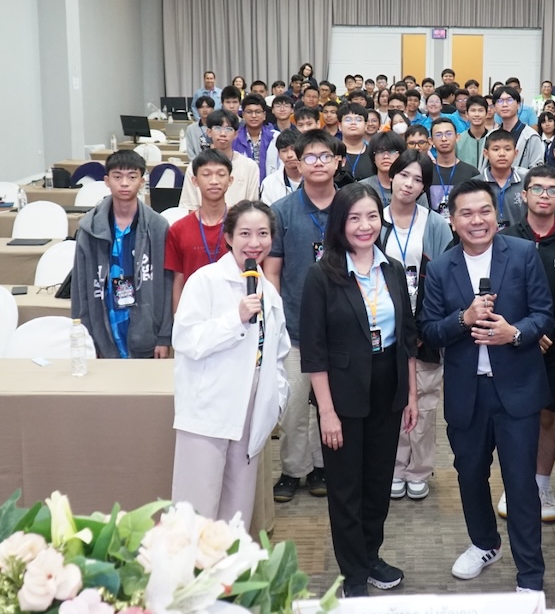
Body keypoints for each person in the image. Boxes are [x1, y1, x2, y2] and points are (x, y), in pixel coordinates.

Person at [420, 178, 554, 592]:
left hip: (517, 390)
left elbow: (544, 313)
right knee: (469, 474)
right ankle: (484, 544)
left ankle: (530, 573)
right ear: (452, 220)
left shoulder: (523, 253)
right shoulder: (439, 268)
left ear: (497, 215)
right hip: (467, 393)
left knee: (520, 483)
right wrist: (464, 319)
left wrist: (514, 333)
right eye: (467, 213)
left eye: (484, 211)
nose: (477, 221)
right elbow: (428, 330)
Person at [300, 184, 418, 598]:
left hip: (388, 385)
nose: (365, 226)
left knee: (378, 482)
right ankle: (352, 574)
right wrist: (327, 412)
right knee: (346, 488)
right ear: (340, 223)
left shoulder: (392, 270)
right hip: (342, 392)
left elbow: (407, 337)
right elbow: (314, 352)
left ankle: (371, 556)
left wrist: (411, 395)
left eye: (371, 216)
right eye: (354, 218)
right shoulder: (322, 275)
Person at [171, 200, 290, 527]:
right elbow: (186, 339)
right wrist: (235, 319)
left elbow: (278, 353)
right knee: (195, 511)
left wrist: (276, 399)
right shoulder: (205, 280)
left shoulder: (268, 292)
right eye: (245, 234)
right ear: (228, 237)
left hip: (252, 410)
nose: (255, 243)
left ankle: (231, 562)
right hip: (209, 409)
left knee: (236, 512)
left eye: (263, 234)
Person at [500, 166, 555, 524]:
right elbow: (500, 294)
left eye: (552, 190)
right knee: (512, 417)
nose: (544, 196)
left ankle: (542, 484)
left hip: (554, 345)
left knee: (547, 417)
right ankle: (515, 483)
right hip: (512, 342)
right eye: (537, 189)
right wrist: (523, 332)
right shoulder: (505, 239)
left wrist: (545, 332)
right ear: (524, 195)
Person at [266, 130, 341, 502]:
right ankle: (293, 470)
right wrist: (277, 318)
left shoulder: (350, 205)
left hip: (341, 327)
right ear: (297, 160)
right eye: (310, 157)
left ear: (338, 161)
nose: (318, 163)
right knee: (294, 406)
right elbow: (272, 271)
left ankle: (324, 466)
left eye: (325, 156)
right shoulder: (282, 210)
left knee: (332, 404)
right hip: (294, 325)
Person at [382, 150, 453, 502]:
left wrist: (429, 323)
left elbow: (445, 277)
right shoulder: (374, 218)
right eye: (404, 175)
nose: (409, 184)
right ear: (391, 176)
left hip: (424, 324)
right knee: (390, 398)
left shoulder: (435, 224)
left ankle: (419, 469)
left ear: (425, 187)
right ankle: (394, 467)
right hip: (384, 323)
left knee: (424, 400)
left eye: (418, 180)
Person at [72, 149, 173, 359]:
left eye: (132, 177)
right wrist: (85, 338)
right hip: (104, 327)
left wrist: (164, 337)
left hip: (146, 331)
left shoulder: (158, 226)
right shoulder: (89, 229)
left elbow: (166, 284)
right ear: (107, 181)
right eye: (117, 177)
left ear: (142, 181)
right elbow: (80, 287)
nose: (124, 183)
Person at [166, 149, 234, 311]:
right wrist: (177, 318)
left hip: (235, 310)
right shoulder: (178, 229)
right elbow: (178, 280)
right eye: (206, 174)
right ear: (195, 181)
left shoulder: (241, 225)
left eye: (221, 174)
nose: (214, 181)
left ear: (230, 180)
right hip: (193, 310)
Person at [179, 110, 260, 211]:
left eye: (228, 129)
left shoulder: (250, 166)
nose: (223, 134)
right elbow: (190, 207)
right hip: (203, 220)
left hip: (239, 220)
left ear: (236, 134)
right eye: (217, 128)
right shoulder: (196, 165)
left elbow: (251, 209)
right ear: (209, 132)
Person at [428, 118, 478, 219]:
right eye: (438, 135)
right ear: (431, 141)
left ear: (457, 137)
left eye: (449, 134)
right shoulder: (425, 172)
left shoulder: (471, 173)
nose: (444, 139)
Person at [481, 129, 527, 229]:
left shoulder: (527, 182)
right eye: (496, 149)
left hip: (520, 237)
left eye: (507, 149)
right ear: (486, 153)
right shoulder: (476, 184)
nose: (502, 154)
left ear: (515, 153)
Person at [493, 87, 545, 169]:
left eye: (509, 100)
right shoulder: (490, 136)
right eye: (500, 101)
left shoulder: (531, 136)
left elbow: (537, 170)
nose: (504, 105)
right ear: (495, 107)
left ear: (518, 105)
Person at [233, 95, 278, 183]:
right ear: (243, 115)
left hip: (271, 187)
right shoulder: (234, 138)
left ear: (264, 115)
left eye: (258, 112)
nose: (253, 116)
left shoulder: (275, 137)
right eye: (249, 112)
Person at [360, 130, 407, 208]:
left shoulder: (410, 186)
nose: (385, 156)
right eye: (380, 151)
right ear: (373, 157)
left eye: (391, 151)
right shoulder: (362, 187)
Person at [261, 130, 303, 206]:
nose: (289, 155)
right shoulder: (269, 183)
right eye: (284, 151)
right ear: (279, 155)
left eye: (293, 149)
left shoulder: (315, 178)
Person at [337, 103, 376, 180]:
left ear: (366, 125)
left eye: (358, 120)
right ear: (340, 126)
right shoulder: (332, 153)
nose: (353, 123)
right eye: (348, 119)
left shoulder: (374, 154)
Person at [456, 95, 491, 170]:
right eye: (473, 110)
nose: (476, 114)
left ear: (487, 113)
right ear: (467, 114)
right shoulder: (459, 140)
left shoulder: (492, 138)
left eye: (480, 110)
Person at [184, 95, 215, 161]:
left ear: (213, 109)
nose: (205, 110)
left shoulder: (218, 127)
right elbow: (189, 150)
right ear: (197, 110)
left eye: (208, 107)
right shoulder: (191, 129)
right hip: (197, 163)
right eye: (201, 107)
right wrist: (197, 163)